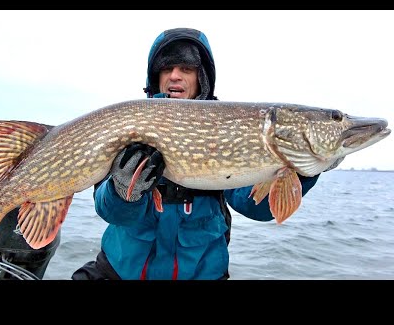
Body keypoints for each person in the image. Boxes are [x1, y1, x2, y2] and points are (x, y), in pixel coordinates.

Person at [70, 27, 328, 280]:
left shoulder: (225, 129)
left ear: (201, 77)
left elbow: (256, 207)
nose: (174, 76)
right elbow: (111, 213)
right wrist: (124, 190)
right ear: (155, 76)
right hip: (122, 271)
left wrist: (308, 167)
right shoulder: (129, 126)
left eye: (186, 69)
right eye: (167, 68)